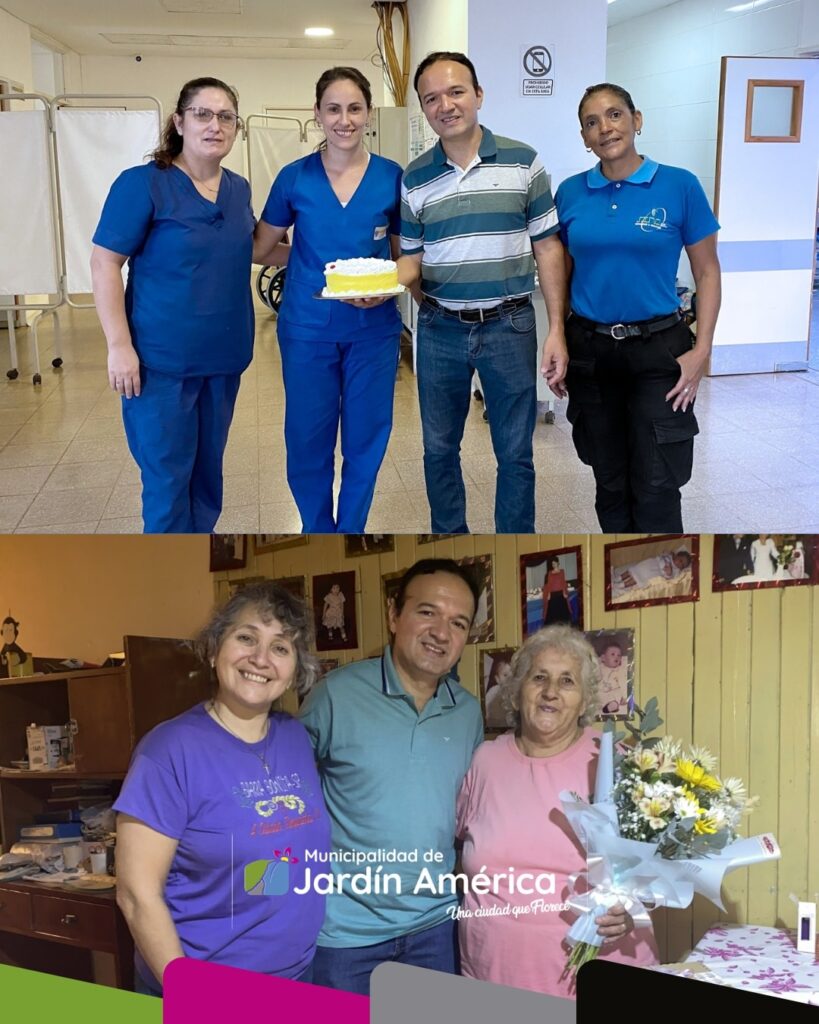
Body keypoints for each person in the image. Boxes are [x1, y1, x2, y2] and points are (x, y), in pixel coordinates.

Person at [113, 582, 331, 995]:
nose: (261, 659)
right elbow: (136, 895)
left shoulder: (295, 738)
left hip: (299, 976)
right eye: (246, 637)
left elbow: (273, 861)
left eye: (281, 647)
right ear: (214, 649)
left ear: (293, 670)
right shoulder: (168, 751)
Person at [399, 52, 568, 534]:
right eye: (431, 98)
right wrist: (380, 283)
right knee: (438, 448)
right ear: (423, 108)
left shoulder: (523, 162)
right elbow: (411, 257)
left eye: (455, 92)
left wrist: (557, 328)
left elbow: (548, 246)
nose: (445, 105)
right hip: (438, 327)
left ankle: (513, 540)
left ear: (478, 95)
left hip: (509, 324)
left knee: (515, 452)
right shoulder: (414, 177)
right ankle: (450, 537)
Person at [298, 558, 485, 994]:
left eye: (458, 623)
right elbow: (287, 803)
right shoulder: (335, 695)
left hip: (435, 930)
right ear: (393, 614)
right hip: (345, 936)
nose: (441, 633)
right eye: (427, 612)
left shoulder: (468, 712)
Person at [91, 77, 264, 533]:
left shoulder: (238, 189)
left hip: (222, 362)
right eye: (203, 114)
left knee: (207, 482)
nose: (215, 125)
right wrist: (118, 346)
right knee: (168, 485)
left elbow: (251, 247)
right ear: (179, 121)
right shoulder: (144, 184)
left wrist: (327, 254)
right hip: (160, 367)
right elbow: (105, 264)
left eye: (226, 116)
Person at [456, 625, 658, 998]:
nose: (550, 692)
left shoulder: (611, 762)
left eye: (567, 681)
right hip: (491, 974)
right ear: (517, 691)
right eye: (539, 678)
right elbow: (459, 848)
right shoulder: (485, 760)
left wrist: (634, 907)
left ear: (585, 701)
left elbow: (657, 867)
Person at [555, 83, 721, 532]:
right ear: (584, 137)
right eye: (592, 122)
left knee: (657, 482)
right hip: (591, 350)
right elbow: (563, 275)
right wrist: (558, 340)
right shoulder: (570, 194)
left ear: (636, 119)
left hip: (658, 351)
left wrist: (701, 350)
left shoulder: (679, 185)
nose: (605, 128)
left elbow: (707, 271)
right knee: (608, 480)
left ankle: (658, 564)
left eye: (614, 115)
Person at [255, 67, 403, 533]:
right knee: (307, 439)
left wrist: (383, 283)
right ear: (317, 114)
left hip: (373, 333)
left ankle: (351, 530)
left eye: (354, 108)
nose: (345, 120)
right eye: (334, 109)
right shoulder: (293, 179)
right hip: (308, 330)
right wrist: (302, 258)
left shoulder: (391, 177)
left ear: (368, 113)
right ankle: (317, 530)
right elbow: (261, 249)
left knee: (366, 439)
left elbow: (403, 256)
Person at [611, 548, 691, 598]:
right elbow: (662, 554)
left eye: (682, 565)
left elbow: (668, 580)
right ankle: (618, 578)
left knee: (637, 579)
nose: (680, 564)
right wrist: (669, 554)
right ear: (676, 556)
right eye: (680, 560)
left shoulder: (674, 571)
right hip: (651, 564)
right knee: (633, 570)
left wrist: (669, 573)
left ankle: (621, 585)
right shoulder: (668, 556)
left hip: (654, 572)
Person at [595, 638, 629, 716]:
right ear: (603, 658)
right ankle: (603, 705)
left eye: (619, 655)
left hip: (613, 690)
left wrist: (625, 696)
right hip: (601, 690)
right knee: (597, 694)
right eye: (613, 654)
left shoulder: (619, 670)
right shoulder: (599, 668)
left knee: (617, 693)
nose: (616, 657)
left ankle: (613, 705)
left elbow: (623, 683)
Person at [543, 556, 571, 626]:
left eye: (555, 563)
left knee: (562, 612)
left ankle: (562, 626)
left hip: (560, 594)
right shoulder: (550, 573)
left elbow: (563, 582)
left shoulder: (562, 571)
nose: (553, 565)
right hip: (553, 595)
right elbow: (549, 584)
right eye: (552, 564)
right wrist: (548, 594)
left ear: (558, 563)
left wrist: (564, 592)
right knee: (552, 613)